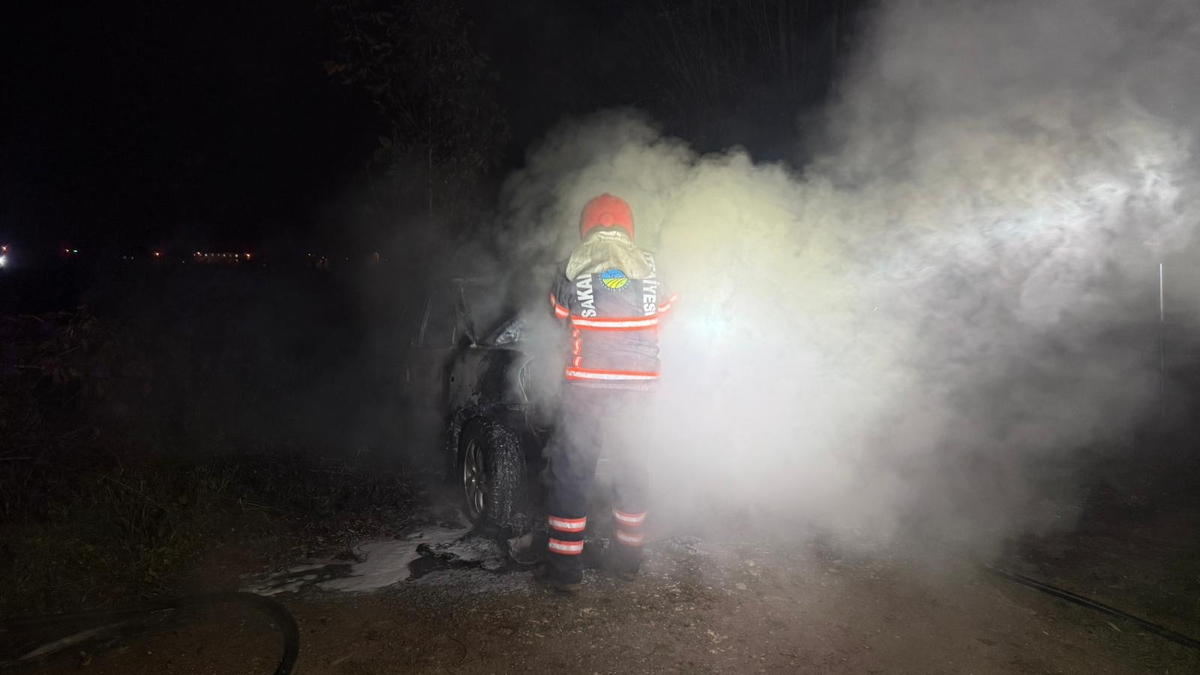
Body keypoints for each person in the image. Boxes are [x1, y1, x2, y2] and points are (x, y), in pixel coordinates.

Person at [534, 193, 676, 593]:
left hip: (587, 384)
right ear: (627, 225)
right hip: (640, 385)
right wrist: (623, 292)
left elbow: (559, 315)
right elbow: (667, 311)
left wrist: (600, 293)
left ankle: (564, 571)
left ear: (587, 225)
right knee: (633, 466)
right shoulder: (650, 266)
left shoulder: (571, 265)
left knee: (573, 470)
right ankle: (628, 561)